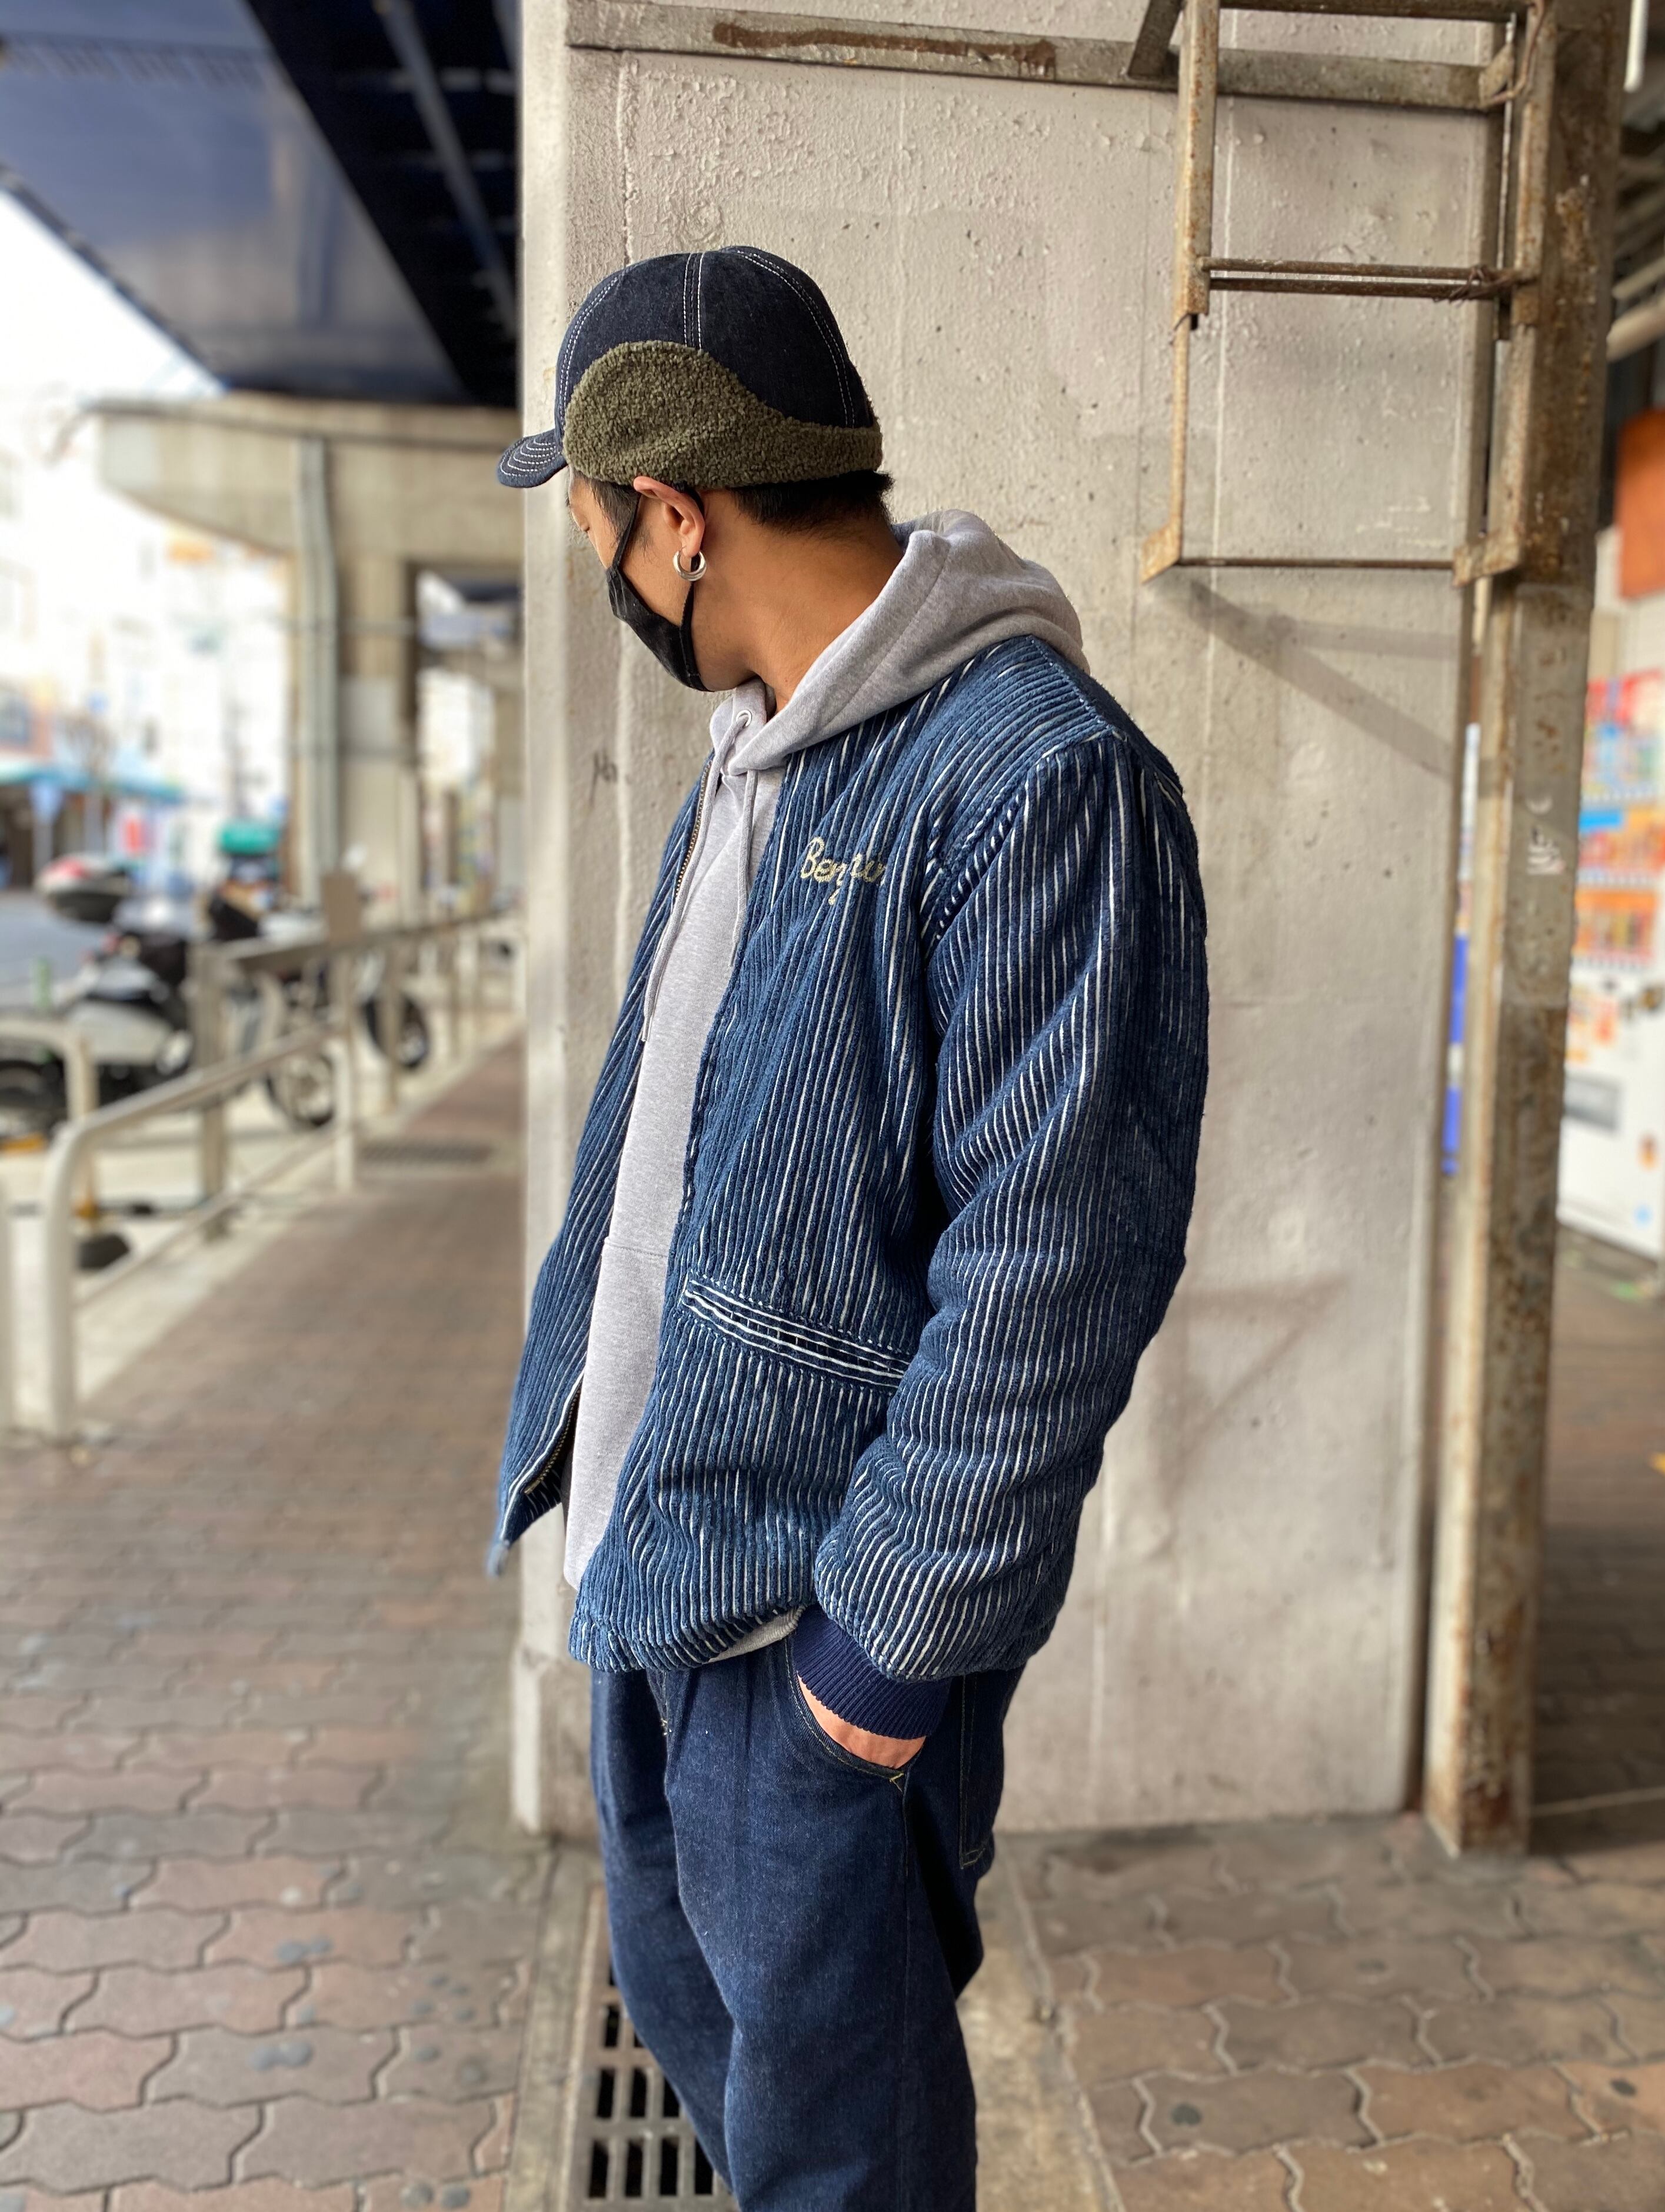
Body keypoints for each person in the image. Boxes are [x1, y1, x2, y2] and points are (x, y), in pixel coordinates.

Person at [488, 247, 1208, 2211]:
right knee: (737, 2092)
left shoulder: (1040, 782)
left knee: (843, 2161)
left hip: (811, 1631)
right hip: (661, 1570)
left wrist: (867, 1683)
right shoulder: (758, 751)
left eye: (595, 520)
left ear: (676, 516)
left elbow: (1053, 1279)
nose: (600, 562)